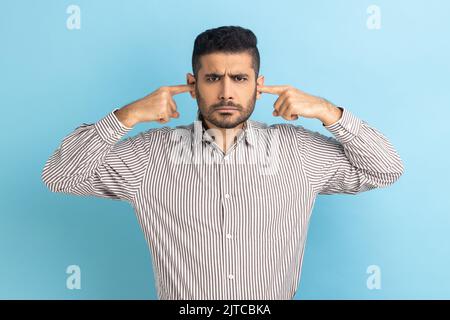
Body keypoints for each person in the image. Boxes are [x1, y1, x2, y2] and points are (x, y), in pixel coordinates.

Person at [41, 25, 404, 300]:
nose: (227, 92)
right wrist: (127, 116)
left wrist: (329, 112)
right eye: (213, 78)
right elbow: (60, 176)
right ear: (192, 83)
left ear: (258, 86)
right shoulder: (148, 157)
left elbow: (385, 169)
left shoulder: (299, 151)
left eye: (239, 79)